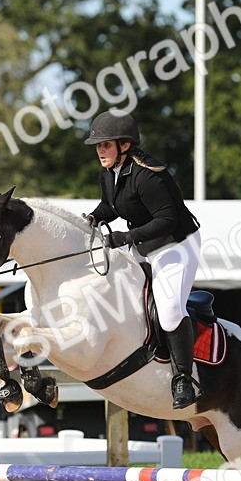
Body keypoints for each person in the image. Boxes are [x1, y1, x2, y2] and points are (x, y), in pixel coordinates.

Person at [84, 110, 203, 409]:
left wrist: (125, 237)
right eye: (98, 145)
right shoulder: (108, 171)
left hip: (176, 245)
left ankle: (183, 380)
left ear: (125, 145)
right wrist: (96, 216)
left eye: (106, 145)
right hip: (144, 243)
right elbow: (111, 204)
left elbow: (167, 219)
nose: (100, 151)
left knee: (170, 310)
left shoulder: (147, 175)